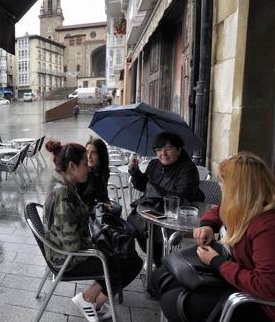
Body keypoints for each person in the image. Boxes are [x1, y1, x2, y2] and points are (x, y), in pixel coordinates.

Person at [154, 152, 275, 322]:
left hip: (272, 308)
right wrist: (208, 225)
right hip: (240, 277)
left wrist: (216, 262)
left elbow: (269, 289)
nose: (220, 186)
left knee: (172, 301)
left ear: (238, 188)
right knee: (162, 278)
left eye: (223, 181)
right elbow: (220, 210)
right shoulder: (248, 206)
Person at [44, 139, 142, 321]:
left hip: (64, 248)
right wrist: (101, 247)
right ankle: (88, 299)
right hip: (64, 258)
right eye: (84, 164)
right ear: (72, 166)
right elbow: (73, 247)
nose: (88, 167)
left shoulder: (64, 182)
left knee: (123, 256)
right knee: (124, 261)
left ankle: (90, 300)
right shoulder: (63, 194)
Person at [127, 132, 203, 266]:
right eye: (158, 150)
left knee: (155, 230)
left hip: (177, 214)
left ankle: (161, 262)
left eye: (168, 149)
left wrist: (154, 187)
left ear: (179, 149)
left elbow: (181, 196)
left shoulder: (188, 169)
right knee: (134, 222)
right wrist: (135, 171)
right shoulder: (154, 164)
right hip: (154, 210)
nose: (163, 153)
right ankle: (153, 256)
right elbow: (142, 186)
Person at [77, 137, 110, 209]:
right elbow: (82, 204)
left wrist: (106, 205)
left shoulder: (102, 172)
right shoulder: (83, 174)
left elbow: (102, 196)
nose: (89, 156)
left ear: (101, 155)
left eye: (93, 153)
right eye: (87, 152)